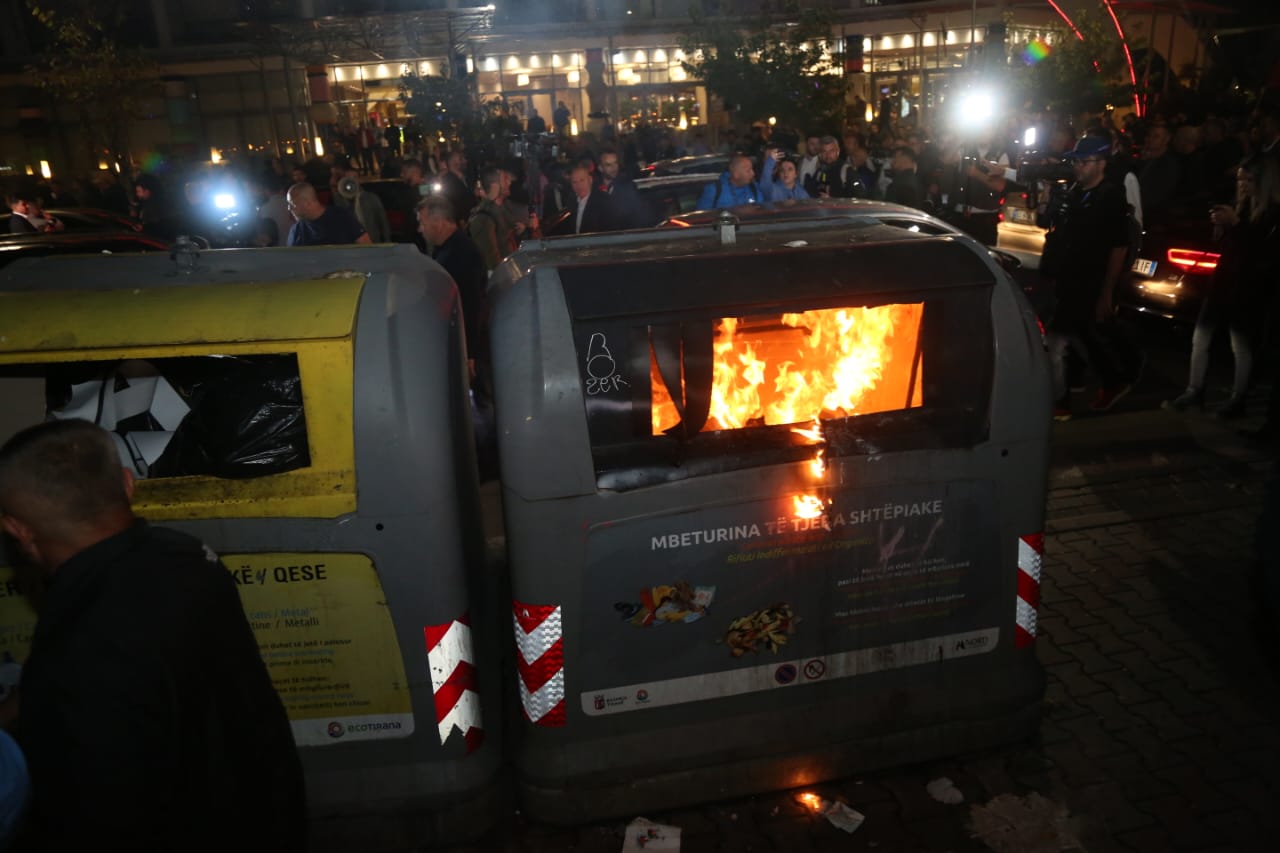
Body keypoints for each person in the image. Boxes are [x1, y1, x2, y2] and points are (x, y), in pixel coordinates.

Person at [0, 419, 306, 851]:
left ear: (17, 529)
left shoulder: (80, 651)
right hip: (263, 813)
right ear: (128, 485)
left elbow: (98, 816)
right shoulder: (185, 554)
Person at [1164, 155, 1280, 418]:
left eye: (1249, 180)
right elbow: (1231, 247)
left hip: (1247, 286)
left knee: (1240, 344)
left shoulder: (1271, 213)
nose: (1243, 185)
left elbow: (1259, 252)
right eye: (1240, 179)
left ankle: (1238, 399)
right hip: (1223, 281)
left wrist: (1235, 225)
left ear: (1264, 182)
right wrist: (1220, 228)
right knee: (1200, 337)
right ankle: (1195, 390)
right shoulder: (1242, 206)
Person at [1040, 135, 1143, 418]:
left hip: (1090, 279)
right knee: (1082, 334)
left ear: (1101, 163)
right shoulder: (1075, 191)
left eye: (1085, 162)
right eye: (1076, 161)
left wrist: (1107, 291)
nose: (1078, 167)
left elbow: (1118, 246)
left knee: (1058, 340)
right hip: (1068, 278)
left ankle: (1060, 402)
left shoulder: (1110, 196)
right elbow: (1052, 226)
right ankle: (1111, 379)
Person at [468, 165, 524, 271]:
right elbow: (492, 263)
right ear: (495, 186)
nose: (509, 182)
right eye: (505, 179)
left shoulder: (503, 208)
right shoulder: (483, 218)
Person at [286, 181, 371, 246]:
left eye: (292, 204)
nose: (289, 208)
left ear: (307, 203)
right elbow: (292, 259)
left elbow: (366, 247)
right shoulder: (296, 230)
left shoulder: (342, 218)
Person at [333, 164, 392, 243]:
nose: (351, 181)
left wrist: (387, 240)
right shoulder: (339, 201)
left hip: (372, 241)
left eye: (354, 178)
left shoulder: (371, 198)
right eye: (348, 178)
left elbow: (383, 220)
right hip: (353, 244)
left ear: (359, 180)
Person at [597, 147, 650, 228]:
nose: (614, 168)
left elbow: (640, 216)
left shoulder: (627, 186)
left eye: (615, 163)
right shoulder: (595, 188)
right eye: (608, 165)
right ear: (600, 168)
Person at [554, 164, 613, 235]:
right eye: (574, 182)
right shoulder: (571, 201)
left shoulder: (603, 200)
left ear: (590, 180)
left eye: (582, 180)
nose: (579, 185)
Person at [696, 153, 763, 210]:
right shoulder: (714, 190)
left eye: (752, 169)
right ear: (736, 174)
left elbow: (761, 210)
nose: (753, 173)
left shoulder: (754, 188)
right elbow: (702, 217)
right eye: (748, 171)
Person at [884, 146, 925, 211]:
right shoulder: (914, 180)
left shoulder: (903, 182)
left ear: (905, 159)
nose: (892, 161)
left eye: (895, 157)